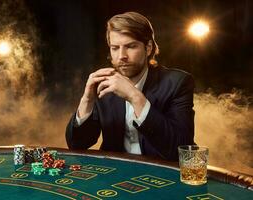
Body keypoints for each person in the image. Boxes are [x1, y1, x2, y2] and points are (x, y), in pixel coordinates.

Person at [65, 11, 195, 161]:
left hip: (162, 173)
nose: (122, 56)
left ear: (148, 48)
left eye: (131, 46)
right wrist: (86, 101)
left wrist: (135, 97)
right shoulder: (103, 84)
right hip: (115, 173)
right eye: (115, 48)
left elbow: (182, 150)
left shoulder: (178, 82)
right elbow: (77, 145)